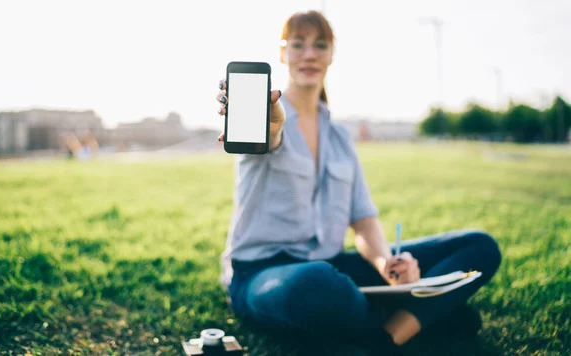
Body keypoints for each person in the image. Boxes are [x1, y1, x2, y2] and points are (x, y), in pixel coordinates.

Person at [214, 10, 501, 351]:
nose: (309, 54)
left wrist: (386, 264)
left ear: (331, 54)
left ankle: (386, 336)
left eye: (320, 45)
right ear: (283, 53)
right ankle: (420, 320)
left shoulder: (339, 137)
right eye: (298, 44)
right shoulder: (266, 117)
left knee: (478, 246)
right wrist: (273, 127)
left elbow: (363, 221)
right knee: (317, 284)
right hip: (264, 275)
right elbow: (269, 140)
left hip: (334, 265)